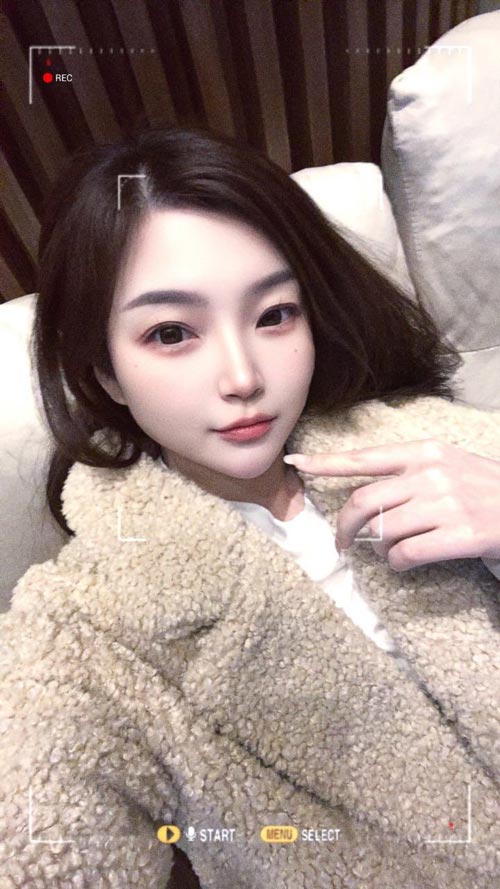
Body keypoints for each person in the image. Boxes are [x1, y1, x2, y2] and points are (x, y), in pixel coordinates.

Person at [0, 125, 499, 889]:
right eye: (172, 332)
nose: (242, 376)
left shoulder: (441, 444)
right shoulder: (79, 638)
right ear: (104, 369)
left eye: (273, 314)